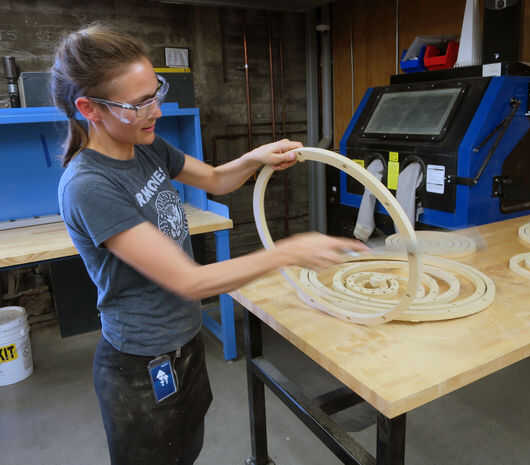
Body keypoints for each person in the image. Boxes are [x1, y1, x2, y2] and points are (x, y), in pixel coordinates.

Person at [51, 24, 366, 465]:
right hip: (140, 363)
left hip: (185, 340)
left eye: (155, 93)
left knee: (186, 450)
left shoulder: (144, 145)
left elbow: (216, 179)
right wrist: (289, 252)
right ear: (90, 108)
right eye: (139, 104)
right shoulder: (90, 185)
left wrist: (254, 159)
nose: (156, 111)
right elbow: (190, 281)